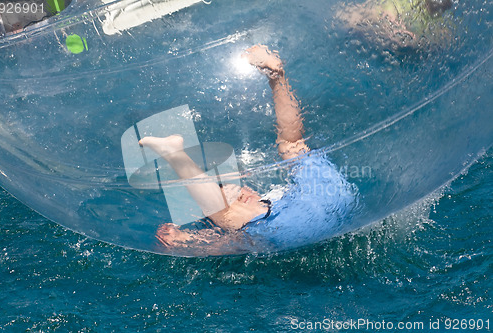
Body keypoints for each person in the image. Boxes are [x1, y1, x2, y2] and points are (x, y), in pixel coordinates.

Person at [141, 45, 356, 250]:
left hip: (315, 208)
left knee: (227, 216)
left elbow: (216, 244)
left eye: (234, 189)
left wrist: (183, 241)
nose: (238, 193)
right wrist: (183, 238)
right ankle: (277, 77)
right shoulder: (264, 211)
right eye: (225, 192)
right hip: (335, 193)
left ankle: (174, 153)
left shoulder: (253, 217)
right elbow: (218, 241)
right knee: (292, 145)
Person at [335, 0, 454, 53]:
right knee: (347, 18)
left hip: (390, 46)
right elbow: (387, 13)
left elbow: (448, 39)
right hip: (372, 23)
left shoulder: (440, 21)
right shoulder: (402, 4)